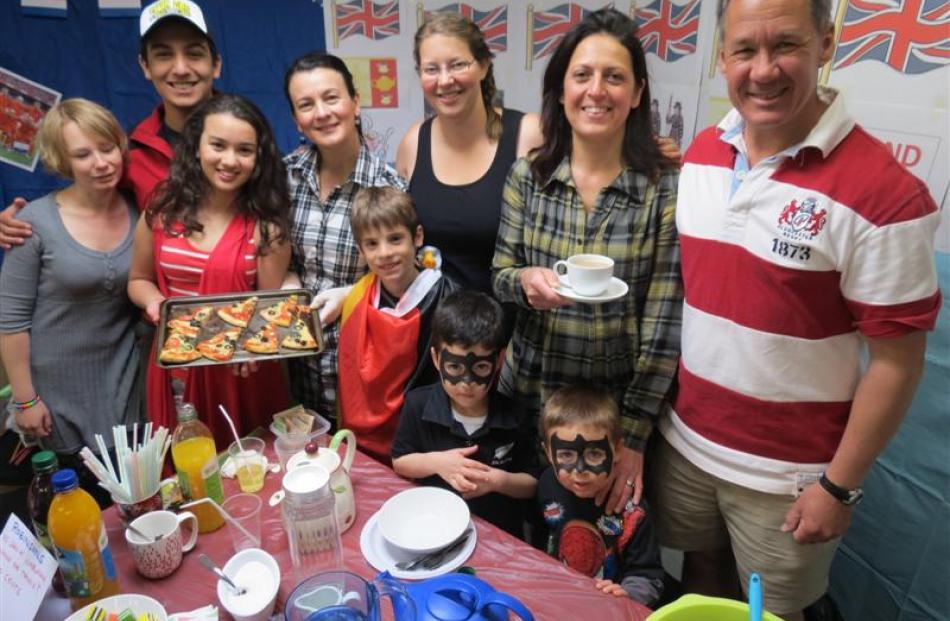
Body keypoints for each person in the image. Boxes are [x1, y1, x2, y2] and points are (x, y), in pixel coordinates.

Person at [654, 0, 942, 618]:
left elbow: (897, 364)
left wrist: (838, 487)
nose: (762, 71)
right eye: (743, 50)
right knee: (699, 585)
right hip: (686, 443)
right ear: (721, 56)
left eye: (784, 45)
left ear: (826, 43)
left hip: (788, 479)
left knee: (774, 611)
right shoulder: (704, 152)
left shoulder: (886, 194)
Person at [491, 8, 681, 515]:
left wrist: (633, 438)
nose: (596, 90)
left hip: (614, 420)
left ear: (637, 93)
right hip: (531, 397)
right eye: (582, 75)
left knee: (609, 554)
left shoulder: (663, 188)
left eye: (614, 77)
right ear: (560, 89)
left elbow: (663, 324)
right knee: (528, 535)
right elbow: (500, 275)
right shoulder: (528, 177)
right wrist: (524, 280)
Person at [128, 93, 292, 449]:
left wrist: (254, 344)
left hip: (239, 374)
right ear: (197, 146)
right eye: (218, 145)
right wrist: (155, 301)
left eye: (245, 150)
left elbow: (269, 309)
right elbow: (138, 280)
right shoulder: (162, 208)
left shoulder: (268, 228)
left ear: (258, 158)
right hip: (175, 366)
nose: (230, 160)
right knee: (185, 468)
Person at [0, 99, 143, 506]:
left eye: (107, 148)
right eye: (83, 154)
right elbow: (11, 322)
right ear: (62, 160)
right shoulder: (33, 224)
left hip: (125, 387)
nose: (100, 162)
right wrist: (25, 399)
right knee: (81, 510)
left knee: (133, 503)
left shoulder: (139, 211)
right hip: (59, 399)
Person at [0, 0, 221, 247]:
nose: (180, 68)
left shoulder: (252, 141)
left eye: (193, 53)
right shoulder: (132, 152)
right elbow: (88, 205)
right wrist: (28, 221)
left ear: (216, 65)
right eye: (164, 55)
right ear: (146, 67)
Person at [280, 52, 406, 422]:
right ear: (297, 120)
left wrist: (353, 294)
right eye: (306, 104)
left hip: (364, 373)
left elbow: (411, 279)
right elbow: (274, 255)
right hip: (298, 373)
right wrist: (287, 282)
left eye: (331, 97)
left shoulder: (389, 188)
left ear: (355, 102)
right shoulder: (282, 179)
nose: (321, 112)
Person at [397, 13, 543, 294]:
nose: (445, 80)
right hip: (438, 330)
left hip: (515, 329)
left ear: (484, 66)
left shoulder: (529, 133)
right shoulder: (413, 142)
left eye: (457, 65)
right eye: (431, 69)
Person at [392, 290, 538, 538]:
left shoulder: (514, 414)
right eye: (454, 366)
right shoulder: (417, 405)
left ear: (499, 359)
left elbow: (532, 485)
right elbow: (400, 462)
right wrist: (437, 463)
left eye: (480, 366)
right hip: (436, 528)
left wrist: (498, 480)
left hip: (499, 535)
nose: (466, 382)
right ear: (437, 359)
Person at [337, 187, 456, 461]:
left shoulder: (447, 297)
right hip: (363, 443)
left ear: (417, 236)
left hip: (423, 442)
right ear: (360, 249)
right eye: (372, 244)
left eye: (395, 239)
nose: (385, 253)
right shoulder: (358, 297)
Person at [538, 386, 665, 607]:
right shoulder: (547, 484)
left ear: (617, 450)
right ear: (549, 453)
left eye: (594, 454)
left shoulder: (633, 512)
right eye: (566, 454)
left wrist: (628, 595)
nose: (580, 469)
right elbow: (541, 539)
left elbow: (648, 576)